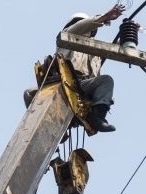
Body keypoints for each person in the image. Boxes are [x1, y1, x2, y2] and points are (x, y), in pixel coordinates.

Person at [25, 4, 125, 133]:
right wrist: (104, 17)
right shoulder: (67, 35)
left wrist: (129, 32)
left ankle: (97, 118)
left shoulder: (96, 48)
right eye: (79, 23)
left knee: (106, 81)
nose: (83, 26)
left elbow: (116, 47)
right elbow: (81, 26)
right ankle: (44, 126)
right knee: (29, 93)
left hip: (84, 87)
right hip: (65, 83)